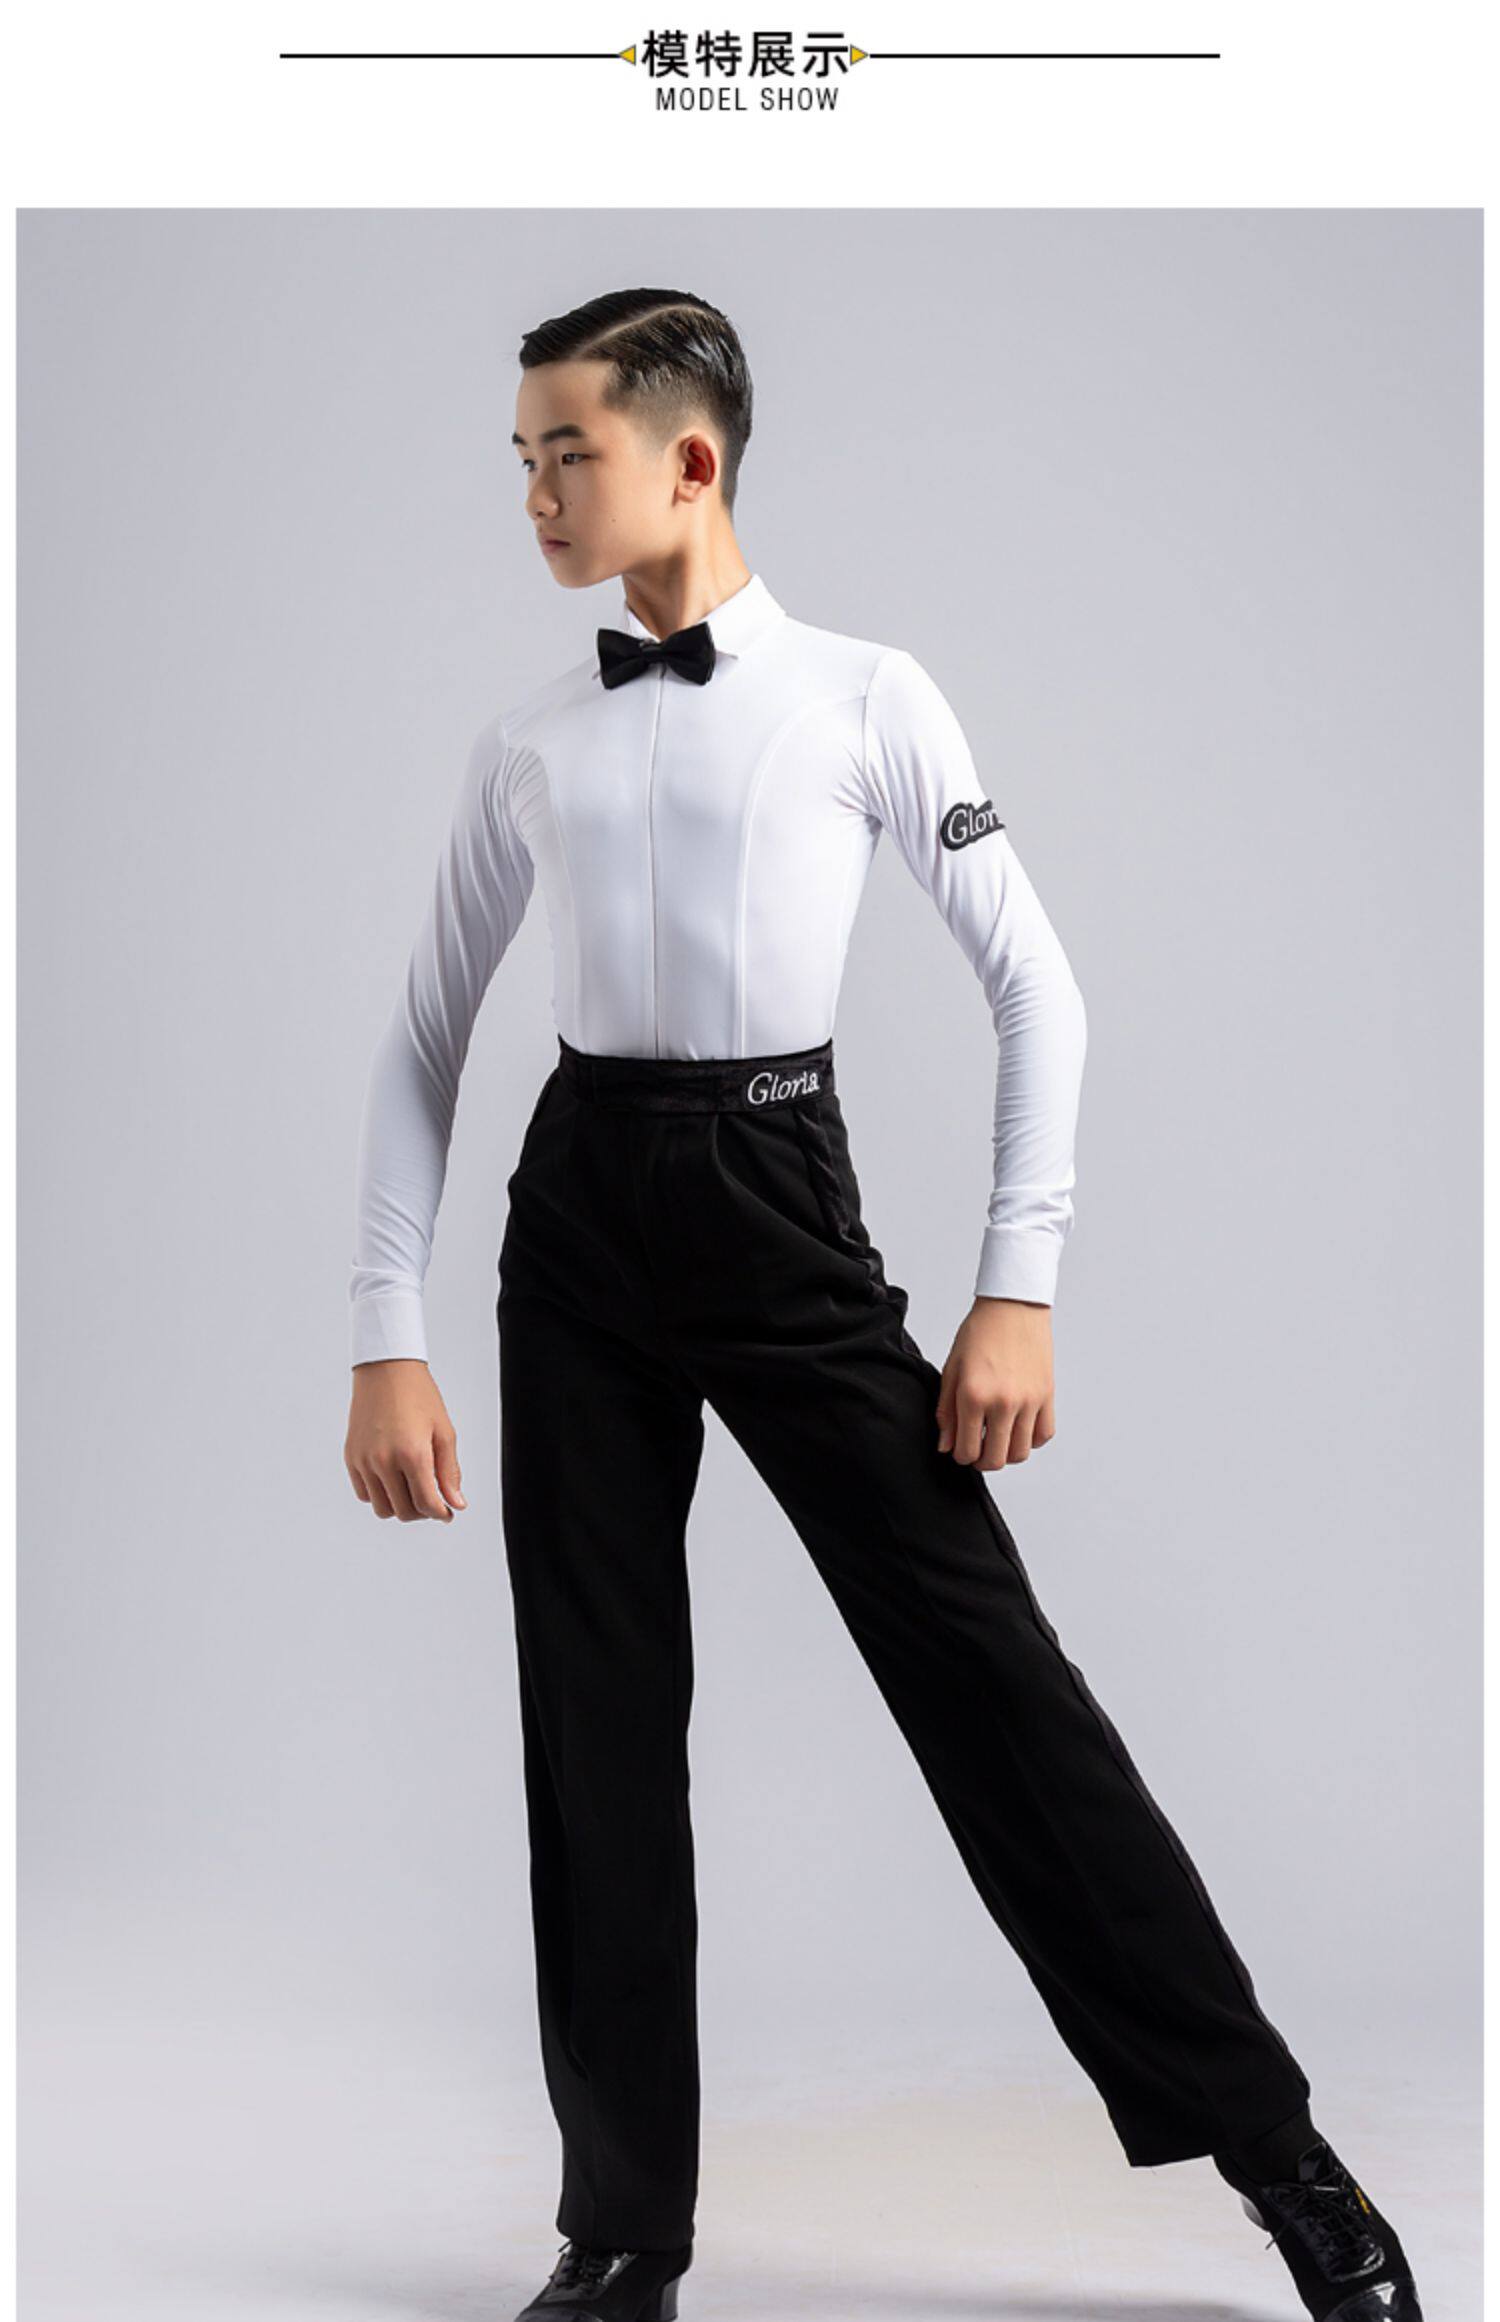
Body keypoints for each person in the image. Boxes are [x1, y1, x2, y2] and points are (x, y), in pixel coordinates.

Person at [343, 287, 1422, 2322]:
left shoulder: (864, 697)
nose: (535, 492)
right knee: (593, 1728)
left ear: (691, 457)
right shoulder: (531, 741)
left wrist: (1021, 1285)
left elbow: (1039, 985)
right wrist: (383, 1325)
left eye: (567, 451)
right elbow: (423, 1035)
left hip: (777, 1201)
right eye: (521, 459)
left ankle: (1288, 2161)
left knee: (994, 1686)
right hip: (575, 1234)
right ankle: (622, 2231)